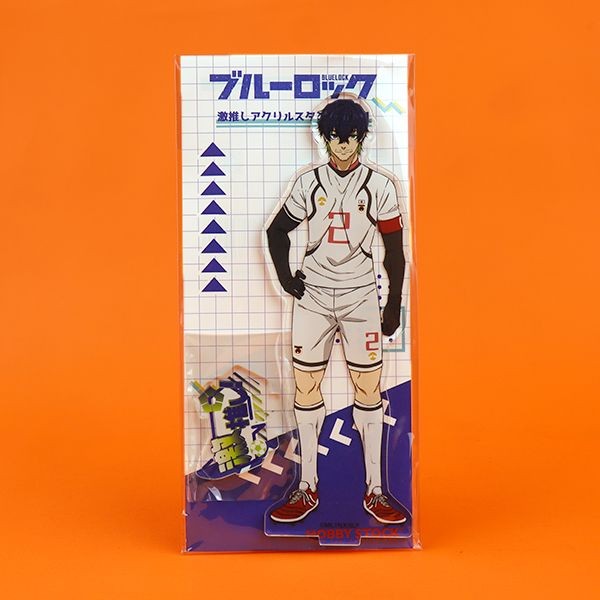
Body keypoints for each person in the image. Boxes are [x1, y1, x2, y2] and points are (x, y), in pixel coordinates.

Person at [266, 98, 408, 524]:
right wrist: (286, 278)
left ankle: (376, 491)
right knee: (306, 387)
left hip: (360, 296)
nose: (343, 144)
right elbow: (276, 230)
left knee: (368, 388)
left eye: (350, 136)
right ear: (324, 138)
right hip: (313, 296)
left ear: (361, 138)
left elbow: (394, 250)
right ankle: (307, 485)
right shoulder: (310, 182)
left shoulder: (379, 185)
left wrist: (393, 304)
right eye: (335, 136)